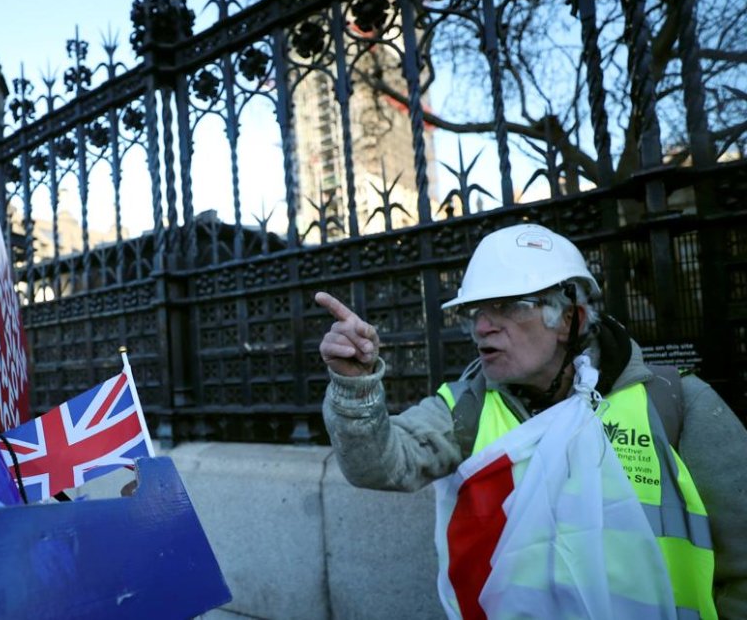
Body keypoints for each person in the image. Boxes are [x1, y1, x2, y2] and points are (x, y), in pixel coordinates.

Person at [316, 223, 747, 619]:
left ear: (569, 319)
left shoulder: (676, 402)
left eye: (506, 307)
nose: (482, 327)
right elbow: (377, 465)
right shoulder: (466, 405)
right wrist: (356, 385)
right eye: (476, 311)